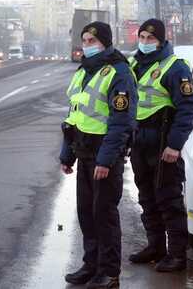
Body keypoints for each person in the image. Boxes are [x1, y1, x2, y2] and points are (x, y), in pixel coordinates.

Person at [59, 21, 137, 288]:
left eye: (92, 41)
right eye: (84, 41)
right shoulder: (84, 72)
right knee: (86, 214)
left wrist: (106, 160)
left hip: (105, 156)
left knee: (104, 215)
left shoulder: (119, 72)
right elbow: (73, 117)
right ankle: (91, 265)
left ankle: (109, 272)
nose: (86, 45)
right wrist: (67, 154)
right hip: (84, 153)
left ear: (105, 42)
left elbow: (121, 122)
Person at [125, 19, 193, 272]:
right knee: (146, 197)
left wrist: (175, 145)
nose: (145, 42)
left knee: (169, 200)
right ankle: (155, 246)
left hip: (162, 144)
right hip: (139, 142)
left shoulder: (175, 67)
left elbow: (188, 109)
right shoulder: (134, 64)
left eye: (151, 38)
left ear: (161, 40)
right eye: (142, 37)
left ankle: (177, 255)